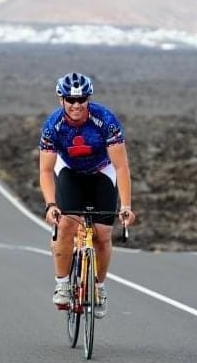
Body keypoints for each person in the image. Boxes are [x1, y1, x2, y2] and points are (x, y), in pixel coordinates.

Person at [39, 72, 135, 319]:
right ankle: (62, 283)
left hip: (102, 171)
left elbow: (122, 166)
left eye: (81, 99)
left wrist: (126, 205)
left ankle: (99, 288)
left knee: (103, 235)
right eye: (70, 100)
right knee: (66, 225)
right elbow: (46, 170)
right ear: (61, 100)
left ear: (88, 98)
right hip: (69, 171)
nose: (76, 105)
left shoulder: (105, 120)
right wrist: (51, 205)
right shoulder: (53, 125)